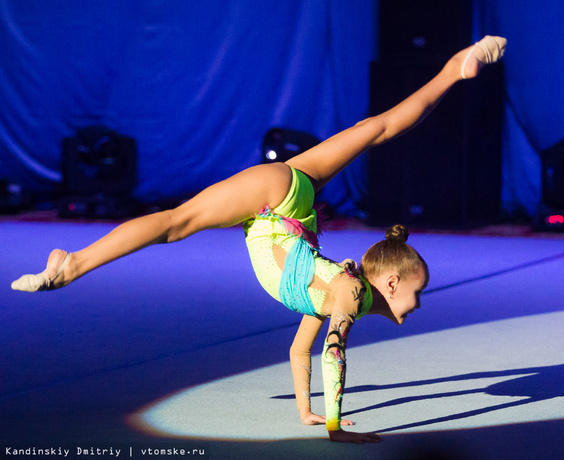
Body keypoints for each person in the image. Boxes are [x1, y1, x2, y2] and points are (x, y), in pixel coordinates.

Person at [11, 35, 506, 443]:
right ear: (392, 282)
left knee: (373, 130)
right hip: (280, 202)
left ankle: (453, 70)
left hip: (292, 212)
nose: (420, 304)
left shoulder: (338, 294)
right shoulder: (349, 293)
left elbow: (303, 353)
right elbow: (335, 352)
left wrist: (308, 413)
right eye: (418, 291)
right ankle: (71, 264)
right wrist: (335, 428)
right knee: (177, 222)